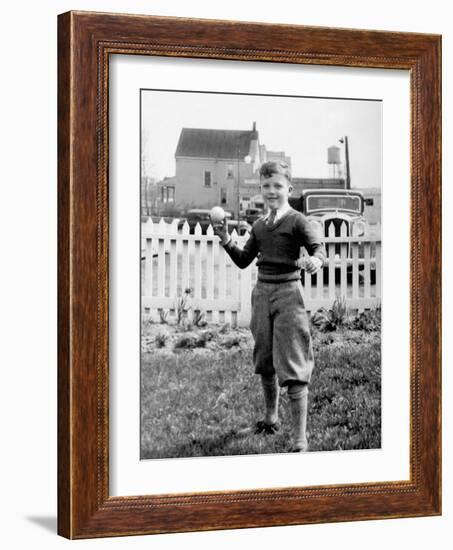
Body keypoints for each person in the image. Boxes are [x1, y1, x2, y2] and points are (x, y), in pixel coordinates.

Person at [213, 160, 326, 452]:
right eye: (266, 186)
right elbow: (243, 260)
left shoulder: (298, 221)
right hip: (261, 293)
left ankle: (300, 439)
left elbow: (318, 249)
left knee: (293, 363)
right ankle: (270, 419)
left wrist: (315, 260)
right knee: (265, 359)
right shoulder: (260, 226)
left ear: (290, 187)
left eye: (277, 185)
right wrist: (225, 239)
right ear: (260, 189)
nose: (271, 191)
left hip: (289, 294)